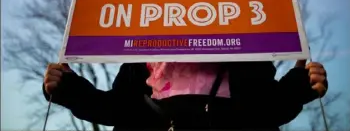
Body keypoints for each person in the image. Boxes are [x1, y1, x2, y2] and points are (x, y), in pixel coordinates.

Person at [43, 60, 328, 131]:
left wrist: (298, 86)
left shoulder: (246, 57)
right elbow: (117, 109)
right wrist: (69, 88)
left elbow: (267, 110)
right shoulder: (139, 58)